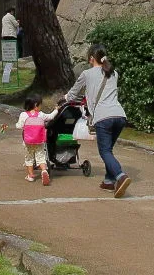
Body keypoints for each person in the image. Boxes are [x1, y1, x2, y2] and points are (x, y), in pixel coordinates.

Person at [63, 44, 131, 197]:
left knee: (104, 151)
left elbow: (73, 94)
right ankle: (108, 181)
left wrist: (64, 99)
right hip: (120, 116)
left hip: (103, 118)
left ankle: (121, 176)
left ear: (91, 58)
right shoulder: (114, 74)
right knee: (109, 150)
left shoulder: (87, 74)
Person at [15, 96, 59, 185]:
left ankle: (30, 176)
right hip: (40, 141)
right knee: (41, 157)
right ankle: (43, 171)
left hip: (28, 142)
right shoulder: (41, 114)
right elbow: (50, 117)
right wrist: (56, 110)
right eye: (40, 105)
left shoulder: (24, 115)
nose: (40, 107)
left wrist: (18, 125)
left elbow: (19, 126)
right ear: (36, 105)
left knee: (29, 157)